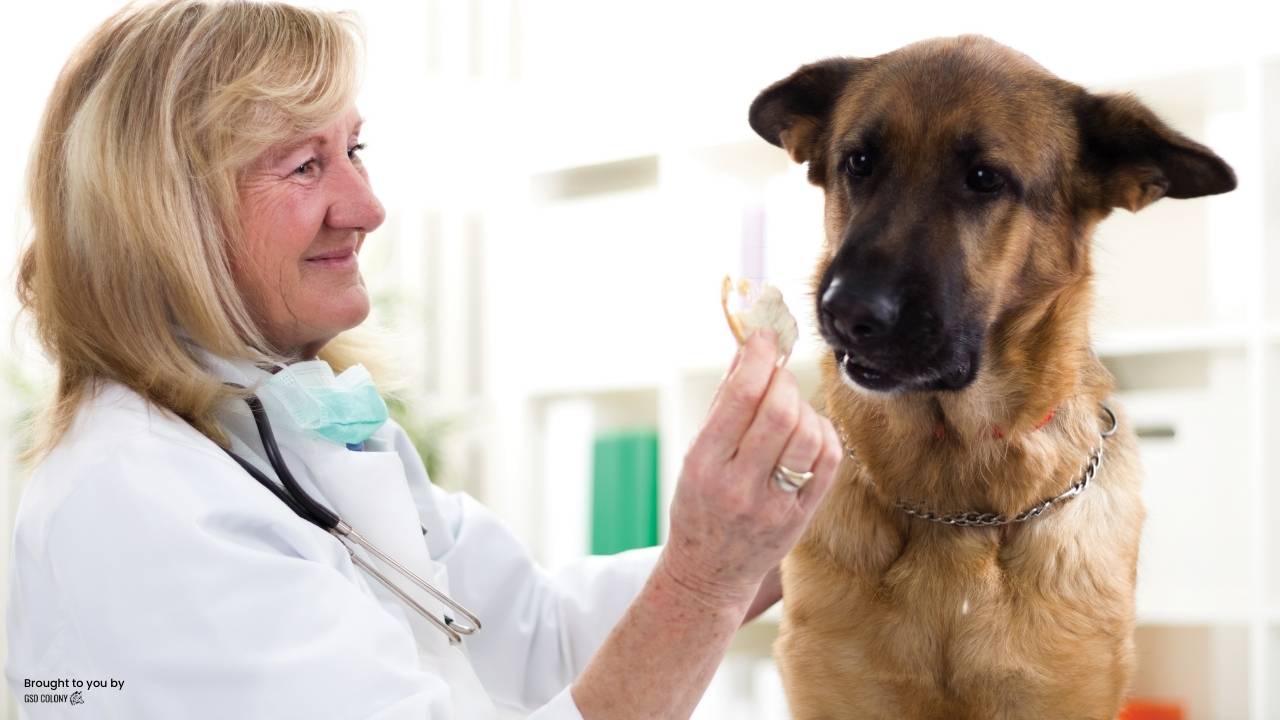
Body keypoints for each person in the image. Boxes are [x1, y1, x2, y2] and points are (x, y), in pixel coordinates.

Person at [4, 2, 841, 718]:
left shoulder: (294, 437)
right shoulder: (135, 506)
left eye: (354, 150)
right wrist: (700, 586)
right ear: (163, 217)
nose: (367, 208)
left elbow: (538, 636)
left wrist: (787, 533)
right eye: (305, 165)